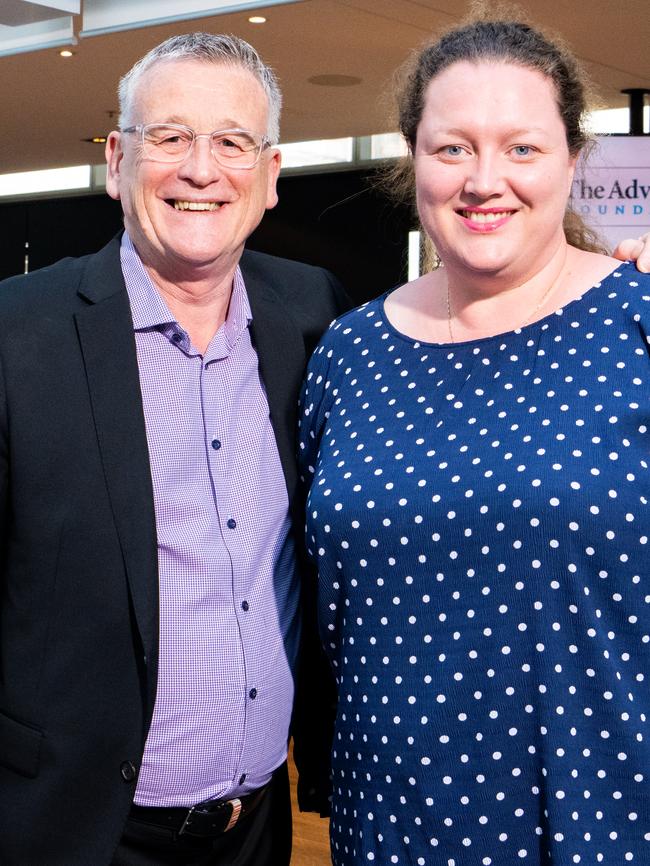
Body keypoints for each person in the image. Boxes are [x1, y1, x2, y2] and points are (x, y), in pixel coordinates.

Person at [298, 17, 650, 866]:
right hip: (384, 826)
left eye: (521, 149)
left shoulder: (635, 326)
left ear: (572, 158)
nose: (484, 181)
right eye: (452, 148)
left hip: (599, 820)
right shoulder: (348, 354)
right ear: (411, 158)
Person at [0, 33, 348, 866]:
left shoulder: (313, 314)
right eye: (170, 137)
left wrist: (597, 280)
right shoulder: (18, 335)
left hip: (257, 832)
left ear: (268, 176)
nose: (201, 169)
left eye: (232, 141)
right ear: (118, 160)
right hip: (72, 833)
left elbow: (454, 332)